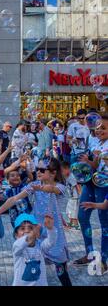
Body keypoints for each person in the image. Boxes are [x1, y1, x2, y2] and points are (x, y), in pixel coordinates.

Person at [0, 158, 72, 286]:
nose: (38, 172)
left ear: (53, 173)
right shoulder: (34, 185)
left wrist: (40, 188)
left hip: (54, 235)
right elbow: (13, 199)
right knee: (32, 268)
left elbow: (52, 189)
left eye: (42, 170)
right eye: (37, 169)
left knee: (62, 273)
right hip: (37, 234)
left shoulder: (60, 187)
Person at [73, 115, 108, 274]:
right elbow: (94, 164)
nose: (100, 130)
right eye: (98, 127)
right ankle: (90, 253)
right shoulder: (97, 142)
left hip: (103, 185)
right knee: (82, 215)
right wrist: (88, 161)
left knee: (104, 223)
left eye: (104, 128)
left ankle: (104, 260)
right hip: (91, 182)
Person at [12, 213, 57, 286]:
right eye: (22, 228)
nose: (27, 231)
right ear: (16, 235)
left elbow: (51, 242)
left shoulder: (40, 246)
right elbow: (26, 239)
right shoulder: (17, 247)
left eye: (30, 228)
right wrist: (33, 232)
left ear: (38, 233)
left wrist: (50, 229)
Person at [61, 161, 81, 230]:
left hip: (75, 197)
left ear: (67, 169)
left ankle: (76, 224)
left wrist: (80, 195)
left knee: (73, 211)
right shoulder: (67, 176)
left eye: (62, 171)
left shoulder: (71, 177)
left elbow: (77, 185)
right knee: (69, 210)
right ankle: (71, 222)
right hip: (71, 197)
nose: (62, 173)